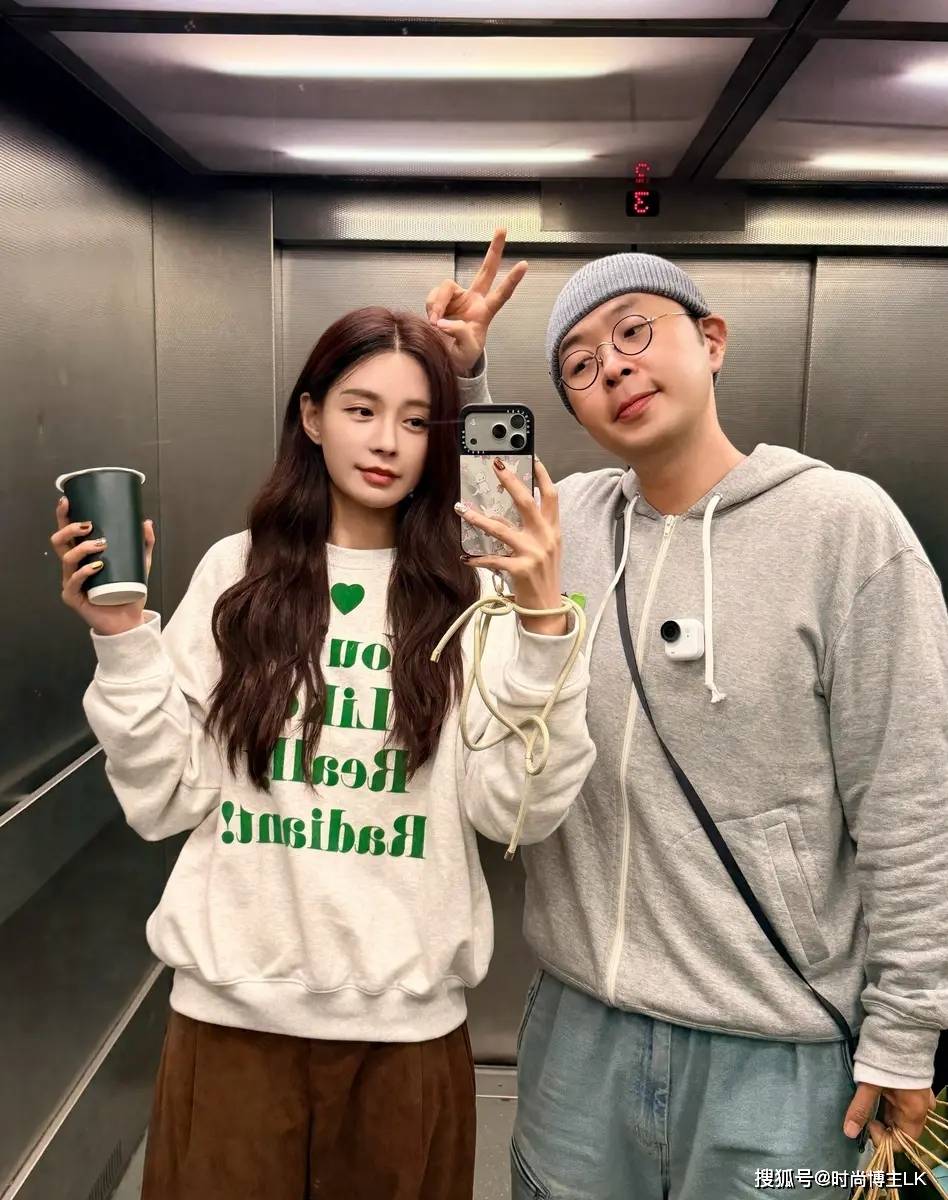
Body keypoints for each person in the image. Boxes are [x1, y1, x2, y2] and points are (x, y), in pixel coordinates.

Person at [427, 235, 948, 1199]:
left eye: (634, 332)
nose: (614, 368)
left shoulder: (844, 527)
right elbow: (487, 515)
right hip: (581, 1030)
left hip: (781, 1048)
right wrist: (467, 378)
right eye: (580, 365)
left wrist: (908, 1029)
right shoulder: (574, 523)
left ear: (712, 340)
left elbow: (912, 799)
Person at [50, 306, 596, 1200]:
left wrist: (541, 630)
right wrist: (120, 637)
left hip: (406, 1043)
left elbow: (516, 814)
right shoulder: (238, 573)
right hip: (231, 1031)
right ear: (311, 416)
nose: (386, 442)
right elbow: (164, 799)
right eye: (360, 409)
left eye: (415, 420)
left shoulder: (471, 596)